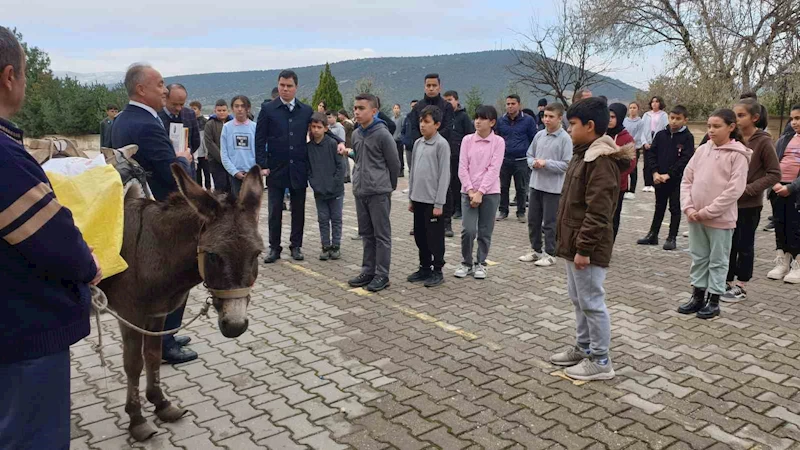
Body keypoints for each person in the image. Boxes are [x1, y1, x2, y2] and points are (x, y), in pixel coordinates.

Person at [0, 27, 102, 449]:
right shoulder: (5, 157)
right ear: (9, 77)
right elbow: (53, 240)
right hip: (21, 333)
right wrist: (90, 264)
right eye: (24, 73)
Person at [111, 63, 195, 363]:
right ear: (141, 89)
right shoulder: (146, 124)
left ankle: (164, 335)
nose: (164, 89)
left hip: (136, 216)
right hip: (161, 213)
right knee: (173, 278)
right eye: (159, 84)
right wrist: (183, 159)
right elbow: (171, 171)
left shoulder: (120, 120)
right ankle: (165, 342)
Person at [550, 97, 632, 381]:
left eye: (572, 124)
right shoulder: (582, 153)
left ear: (590, 126)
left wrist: (584, 248)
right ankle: (583, 347)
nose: (568, 129)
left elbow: (599, 212)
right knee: (578, 298)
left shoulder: (600, 160)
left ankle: (601, 360)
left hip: (587, 248)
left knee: (592, 301)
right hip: (574, 244)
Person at [255, 70, 343, 264]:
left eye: (289, 86)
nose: (285, 89)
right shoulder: (268, 110)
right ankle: (274, 247)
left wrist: (339, 141)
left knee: (298, 209)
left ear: (296, 87)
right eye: (282, 85)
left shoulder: (305, 110)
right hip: (276, 168)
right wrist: (262, 164)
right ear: (278, 86)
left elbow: (321, 128)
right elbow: (259, 139)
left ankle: (296, 246)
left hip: (299, 167)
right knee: (275, 210)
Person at [678, 109, 751, 319]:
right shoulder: (702, 151)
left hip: (719, 219)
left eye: (717, 126)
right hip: (695, 217)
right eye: (709, 126)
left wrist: (708, 212)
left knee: (718, 259)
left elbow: (733, 190)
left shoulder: (738, 155)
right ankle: (697, 295)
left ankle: (714, 299)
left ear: (731, 127)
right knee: (699, 257)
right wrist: (689, 207)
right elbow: (687, 179)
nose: (711, 130)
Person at [722, 99, 781, 300]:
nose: (736, 119)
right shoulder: (732, 139)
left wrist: (747, 189)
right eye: (734, 115)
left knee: (744, 244)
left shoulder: (764, 141)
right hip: (727, 202)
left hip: (749, 205)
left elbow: (774, 174)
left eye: (741, 115)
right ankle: (725, 281)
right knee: (726, 243)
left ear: (754, 118)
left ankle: (741, 284)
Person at [345, 94, 401, 292]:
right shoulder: (356, 134)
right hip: (361, 192)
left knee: (381, 235)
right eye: (355, 108)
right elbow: (358, 160)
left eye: (361, 108)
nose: (357, 112)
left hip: (379, 192)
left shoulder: (383, 134)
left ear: (374, 111)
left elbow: (394, 164)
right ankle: (368, 271)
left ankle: (382, 274)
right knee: (366, 234)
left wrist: (389, 186)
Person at [455, 105, 504, 280]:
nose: (477, 121)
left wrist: (481, 192)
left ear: (492, 122)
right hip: (468, 192)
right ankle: (466, 262)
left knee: (485, 231)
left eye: (482, 118)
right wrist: (470, 190)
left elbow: (494, 169)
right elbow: (462, 167)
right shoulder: (467, 140)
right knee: (468, 230)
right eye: (476, 117)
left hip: (490, 193)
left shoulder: (498, 142)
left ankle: (481, 263)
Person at [519, 103, 571, 266]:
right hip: (536, 185)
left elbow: (566, 164)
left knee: (550, 222)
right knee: (533, 220)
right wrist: (532, 162)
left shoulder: (565, 139)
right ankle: (536, 250)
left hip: (553, 189)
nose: (546, 119)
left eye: (551, 116)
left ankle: (550, 253)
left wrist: (546, 163)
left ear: (560, 118)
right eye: (545, 116)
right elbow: (528, 155)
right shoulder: (539, 135)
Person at [637, 105, 694, 250]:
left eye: (678, 119)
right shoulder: (661, 134)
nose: (674, 121)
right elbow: (651, 154)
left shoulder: (687, 137)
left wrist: (669, 174)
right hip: (659, 178)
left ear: (685, 120)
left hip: (676, 180)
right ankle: (653, 234)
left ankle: (672, 237)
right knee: (659, 206)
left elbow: (685, 159)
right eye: (672, 118)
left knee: (674, 208)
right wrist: (655, 172)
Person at [407, 105, 450, 288]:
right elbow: (413, 172)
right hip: (418, 199)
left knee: (435, 237)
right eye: (421, 121)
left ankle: (437, 270)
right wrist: (411, 197)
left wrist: (439, 203)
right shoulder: (418, 143)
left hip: (433, 202)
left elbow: (444, 175)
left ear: (437, 125)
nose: (422, 125)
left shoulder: (441, 145)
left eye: (427, 122)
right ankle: (424, 267)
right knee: (420, 235)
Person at [766, 105, 800, 283]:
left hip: (796, 191)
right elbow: (772, 163)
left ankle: (798, 263)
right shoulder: (785, 139)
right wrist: (775, 184)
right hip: (778, 188)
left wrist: (791, 187)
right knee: (780, 225)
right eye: (792, 118)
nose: (794, 122)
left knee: (796, 227)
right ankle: (783, 261)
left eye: (798, 118)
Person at [308, 112, 345, 261]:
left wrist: (334, 183)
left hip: (335, 190)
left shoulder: (332, 144)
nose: (316, 130)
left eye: (319, 127)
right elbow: (309, 169)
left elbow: (340, 167)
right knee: (323, 219)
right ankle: (325, 246)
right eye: (313, 127)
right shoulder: (309, 147)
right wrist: (314, 183)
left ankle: (336, 246)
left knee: (336, 218)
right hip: (319, 190)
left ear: (325, 128)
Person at [496, 94, 537, 222]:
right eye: (508, 104)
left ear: (519, 105)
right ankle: (503, 211)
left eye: (513, 104)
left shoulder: (528, 120)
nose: (510, 106)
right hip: (504, 159)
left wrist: (529, 155)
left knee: (521, 187)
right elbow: (497, 138)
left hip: (521, 160)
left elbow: (533, 139)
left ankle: (521, 212)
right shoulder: (500, 120)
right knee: (503, 187)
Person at [443, 90, 475, 225]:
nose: (448, 103)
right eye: (446, 101)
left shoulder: (463, 117)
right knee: (447, 183)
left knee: (457, 183)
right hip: (446, 155)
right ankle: (449, 208)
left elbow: (470, 135)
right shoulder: (444, 117)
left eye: (450, 100)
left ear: (456, 101)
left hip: (459, 155)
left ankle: (459, 208)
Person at [607, 103, 637, 240]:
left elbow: (631, 164)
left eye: (613, 117)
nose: (610, 119)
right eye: (608, 116)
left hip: (618, 185)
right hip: (600, 184)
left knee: (614, 216)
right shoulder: (601, 135)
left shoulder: (626, 138)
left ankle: (609, 244)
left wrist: (616, 174)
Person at [220, 95, 257, 197]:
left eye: (242, 106)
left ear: (248, 108)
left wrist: (256, 170)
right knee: (238, 206)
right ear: (232, 109)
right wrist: (234, 172)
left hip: (252, 174)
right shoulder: (227, 128)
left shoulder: (255, 127)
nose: (240, 109)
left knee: (252, 207)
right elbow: (224, 154)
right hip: (235, 174)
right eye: (236, 106)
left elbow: (260, 151)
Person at [158, 83, 201, 155]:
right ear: (165, 98)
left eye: (181, 104)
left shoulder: (190, 114)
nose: (178, 108)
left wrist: (185, 156)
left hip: (187, 163)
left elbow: (195, 141)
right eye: (174, 104)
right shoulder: (156, 116)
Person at [639, 96, 669, 193]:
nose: (654, 103)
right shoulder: (646, 115)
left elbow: (665, 128)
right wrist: (644, 142)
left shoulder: (664, 115)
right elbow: (642, 130)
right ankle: (647, 184)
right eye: (653, 102)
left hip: (658, 142)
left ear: (660, 103)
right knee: (646, 164)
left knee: (656, 162)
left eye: (656, 101)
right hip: (647, 140)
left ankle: (654, 183)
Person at [204, 99, 233, 193]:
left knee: (232, 187)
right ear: (215, 111)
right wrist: (222, 158)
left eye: (224, 110)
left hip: (232, 161)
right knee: (220, 187)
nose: (221, 113)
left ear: (228, 111)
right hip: (216, 162)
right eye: (219, 111)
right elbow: (209, 142)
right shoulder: (209, 124)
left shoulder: (233, 123)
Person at [623, 101, 644, 200]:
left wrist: (630, 142)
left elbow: (638, 135)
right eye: (630, 107)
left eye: (634, 107)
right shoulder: (625, 121)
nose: (632, 109)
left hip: (635, 147)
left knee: (633, 169)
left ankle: (632, 190)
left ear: (638, 109)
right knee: (624, 168)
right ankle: (625, 189)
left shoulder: (640, 122)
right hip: (624, 148)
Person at [190, 101, 212, 189]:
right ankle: (199, 190)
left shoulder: (205, 122)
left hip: (204, 153)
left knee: (207, 172)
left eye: (194, 109)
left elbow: (206, 139)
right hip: (195, 154)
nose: (193, 111)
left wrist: (207, 152)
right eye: (191, 109)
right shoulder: (190, 121)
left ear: (199, 110)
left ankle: (209, 189)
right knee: (197, 173)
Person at [401, 99, 419, 174]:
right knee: (410, 168)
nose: (413, 108)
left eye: (415, 106)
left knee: (418, 168)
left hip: (418, 147)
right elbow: (403, 131)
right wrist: (405, 140)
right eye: (412, 106)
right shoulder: (407, 118)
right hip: (409, 147)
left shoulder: (421, 118)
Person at [338, 109, 354, 183]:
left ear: (343, 115)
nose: (338, 116)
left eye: (339, 115)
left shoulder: (347, 124)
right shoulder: (349, 123)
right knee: (346, 160)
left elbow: (344, 132)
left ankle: (346, 175)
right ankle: (347, 176)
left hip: (347, 143)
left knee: (344, 160)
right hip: (348, 142)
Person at [391, 103, 405, 177]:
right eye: (395, 108)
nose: (396, 109)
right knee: (394, 156)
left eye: (397, 108)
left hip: (399, 140)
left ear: (399, 109)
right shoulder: (392, 119)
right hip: (392, 140)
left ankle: (401, 170)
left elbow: (403, 128)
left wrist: (400, 136)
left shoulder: (402, 118)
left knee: (400, 156)